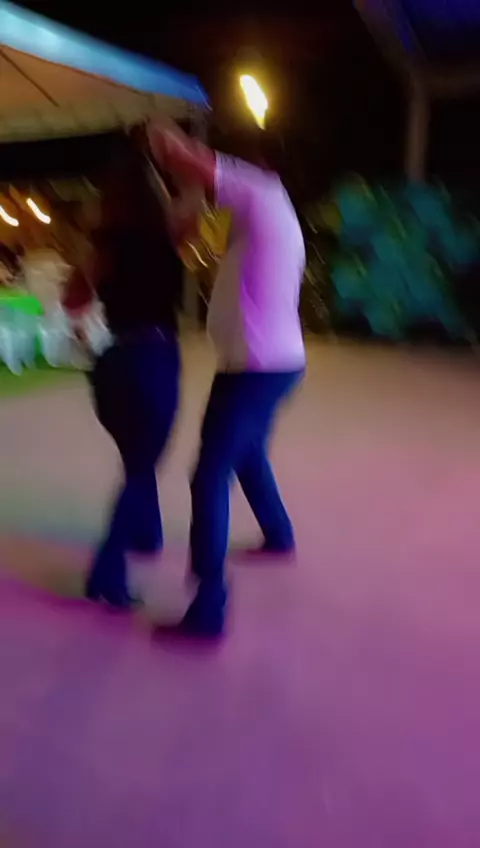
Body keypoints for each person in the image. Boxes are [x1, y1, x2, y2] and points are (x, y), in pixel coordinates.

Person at [147, 119, 306, 638]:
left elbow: (177, 153)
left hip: (256, 366)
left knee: (209, 474)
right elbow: (185, 234)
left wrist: (162, 127)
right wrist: (190, 197)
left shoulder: (255, 189)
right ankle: (278, 533)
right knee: (248, 452)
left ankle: (209, 604)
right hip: (270, 362)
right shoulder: (270, 207)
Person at [63, 134, 184, 608]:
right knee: (142, 463)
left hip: (113, 365)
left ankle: (146, 533)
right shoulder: (166, 234)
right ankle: (107, 571)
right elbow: (193, 205)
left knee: (136, 456)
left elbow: (73, 300)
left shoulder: (104, 244)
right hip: (155, 357)